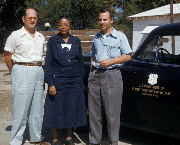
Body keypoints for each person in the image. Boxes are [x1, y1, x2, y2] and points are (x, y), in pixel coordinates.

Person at [4, 7, 50, 145]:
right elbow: (7, 57)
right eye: (29, 17)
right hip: (21, 70)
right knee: (21, 107)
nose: (32, 20)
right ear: (23, 19)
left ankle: (36, 137)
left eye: (35, 18)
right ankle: (16, 140)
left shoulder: (41, 37)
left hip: (38, 70)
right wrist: (16, 71)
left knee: (36, 107)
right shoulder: (15, 35)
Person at [88, 8, 132, 145]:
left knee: (112, 114)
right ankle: (94, 141)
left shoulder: (120, 36)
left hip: (112, 75)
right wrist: (91, 70)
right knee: (94, 113)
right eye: (100, 19)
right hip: (95, 76)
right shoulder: (97, 37)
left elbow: (128, 56)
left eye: (105, 19)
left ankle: (113, 142)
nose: (102, 22)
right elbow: (93, 55)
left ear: (111, 20)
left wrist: (110, 62)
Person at [43, 15, 87, 145]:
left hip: (73, 81)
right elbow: (49, 64)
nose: (63, 27)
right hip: (58, 80)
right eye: (61, 25)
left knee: (71, 108)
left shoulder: (76, 41)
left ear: (70, 26)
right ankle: (55, 138)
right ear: (58, 26)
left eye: (66, 25)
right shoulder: (53, 41)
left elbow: (80, 61)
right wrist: (51, 83)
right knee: (55, 109)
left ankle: (69, 137)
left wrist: (80, 80)